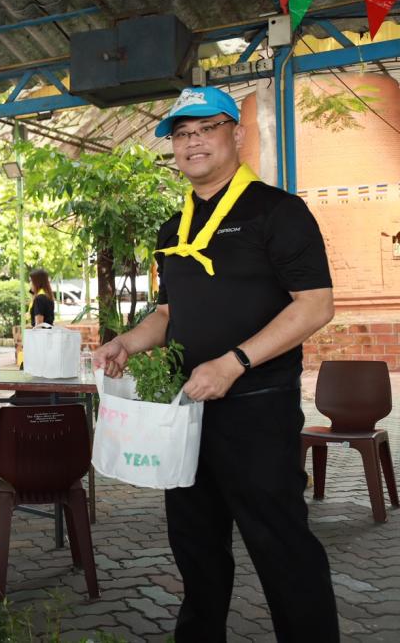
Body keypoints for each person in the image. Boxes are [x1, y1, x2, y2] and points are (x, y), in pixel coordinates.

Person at [93, 87, 338, 642]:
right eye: (181, 134)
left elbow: (316, 306)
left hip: (256, 409)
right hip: (187, 412)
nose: (192, 141)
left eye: (205, 128)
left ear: (237, 135)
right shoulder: (171, 229)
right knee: (196, 550)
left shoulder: (277, 211)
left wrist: (235, 362)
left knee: (281, 547)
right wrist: (128, 342)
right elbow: (169, 314)